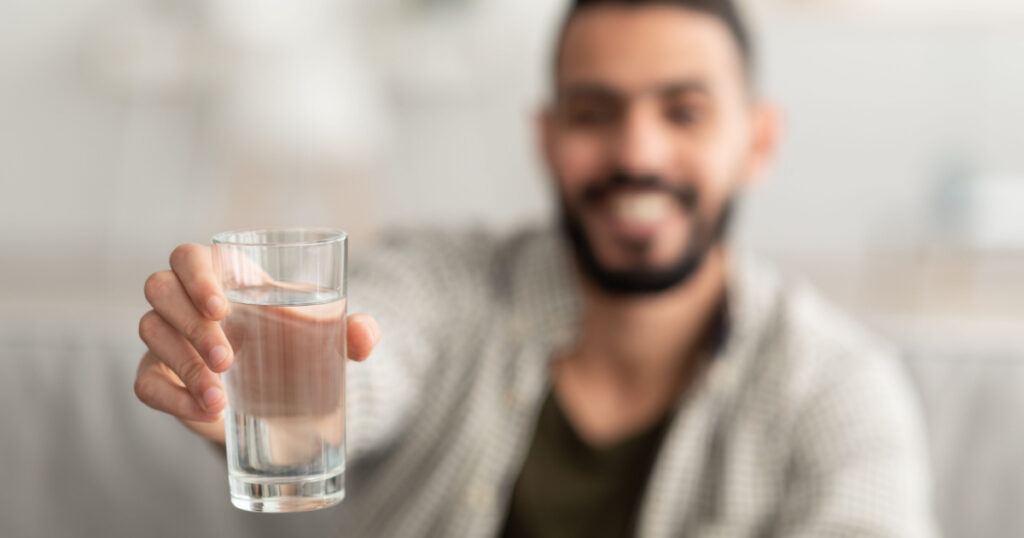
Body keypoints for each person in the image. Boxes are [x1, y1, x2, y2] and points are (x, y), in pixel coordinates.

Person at [134, 0, 936, 536]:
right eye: (595, 112)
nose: (637, 152)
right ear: (548, 139)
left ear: (757, 142)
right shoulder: (448, 286)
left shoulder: (838, 393)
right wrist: (272, 392)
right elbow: (366, 362)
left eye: (683, 112)